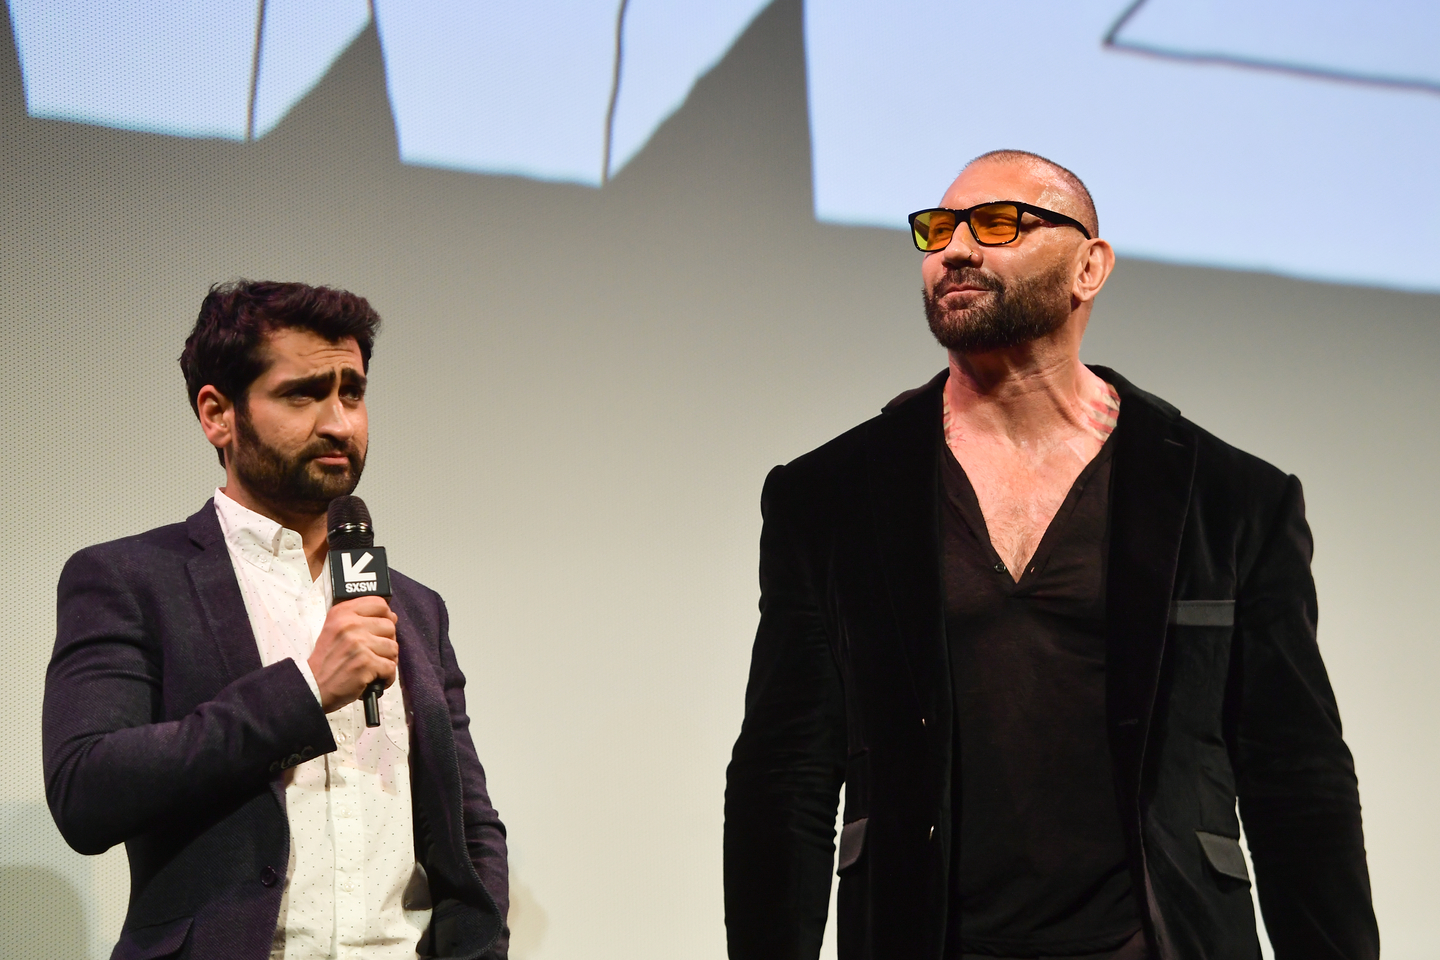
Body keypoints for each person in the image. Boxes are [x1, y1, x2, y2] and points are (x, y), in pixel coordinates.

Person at [723, 151, 1377, 960]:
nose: (956, 249)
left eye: (998, 223)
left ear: (1088, 267)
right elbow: (785, 774)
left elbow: (1297, 777)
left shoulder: (1232, 498)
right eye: (938, 229)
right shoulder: (829, 495)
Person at [43, 281, 508, 959]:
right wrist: (305, 692)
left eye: (353, 392)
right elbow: (85, 791)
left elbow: (468, 824)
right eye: (303, 394)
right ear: (217, 414)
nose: (340, 423)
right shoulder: (129, 579)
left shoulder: (414, 607)